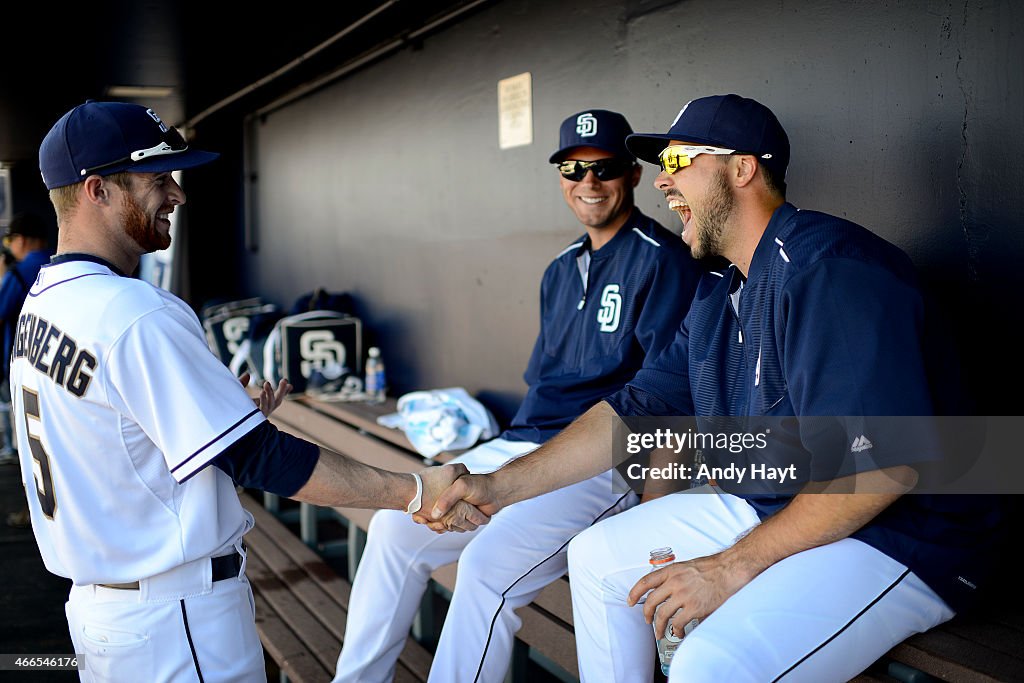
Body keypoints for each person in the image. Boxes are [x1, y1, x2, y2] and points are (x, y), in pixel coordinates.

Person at [432, 94, 1005, 682]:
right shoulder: (718, 292)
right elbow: (634, 410)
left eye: (679, 161)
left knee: (713, 663)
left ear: (742, 168)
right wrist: (500, 485)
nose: (662, 183)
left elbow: (877, 473)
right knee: (597, 556)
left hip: (904, 533)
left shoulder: (832, 269)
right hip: (784, 498)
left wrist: (728, 568)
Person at [13, 101, 474, 683]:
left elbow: (111, 438)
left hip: (105, 614)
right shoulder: (132, 312)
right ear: (97, 190)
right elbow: (261, 458)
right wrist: (415, 489)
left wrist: (217, 418)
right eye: (159, 179)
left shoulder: (44, 302)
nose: (177, 194)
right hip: (174, 619)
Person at [334, 109, 700, 682]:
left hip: (595, 462)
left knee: (484, 566)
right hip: (519, 444)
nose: (588, 183)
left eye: (603, 169)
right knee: (393, 528)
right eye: (572, 170)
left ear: (631, 174)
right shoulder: (560, 269)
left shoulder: (665, 261)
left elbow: (662, 402)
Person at [0, 212, 53, 471]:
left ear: (22, 240)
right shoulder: (59, 265)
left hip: (21, 360)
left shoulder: (19, 273)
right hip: (57, 362)